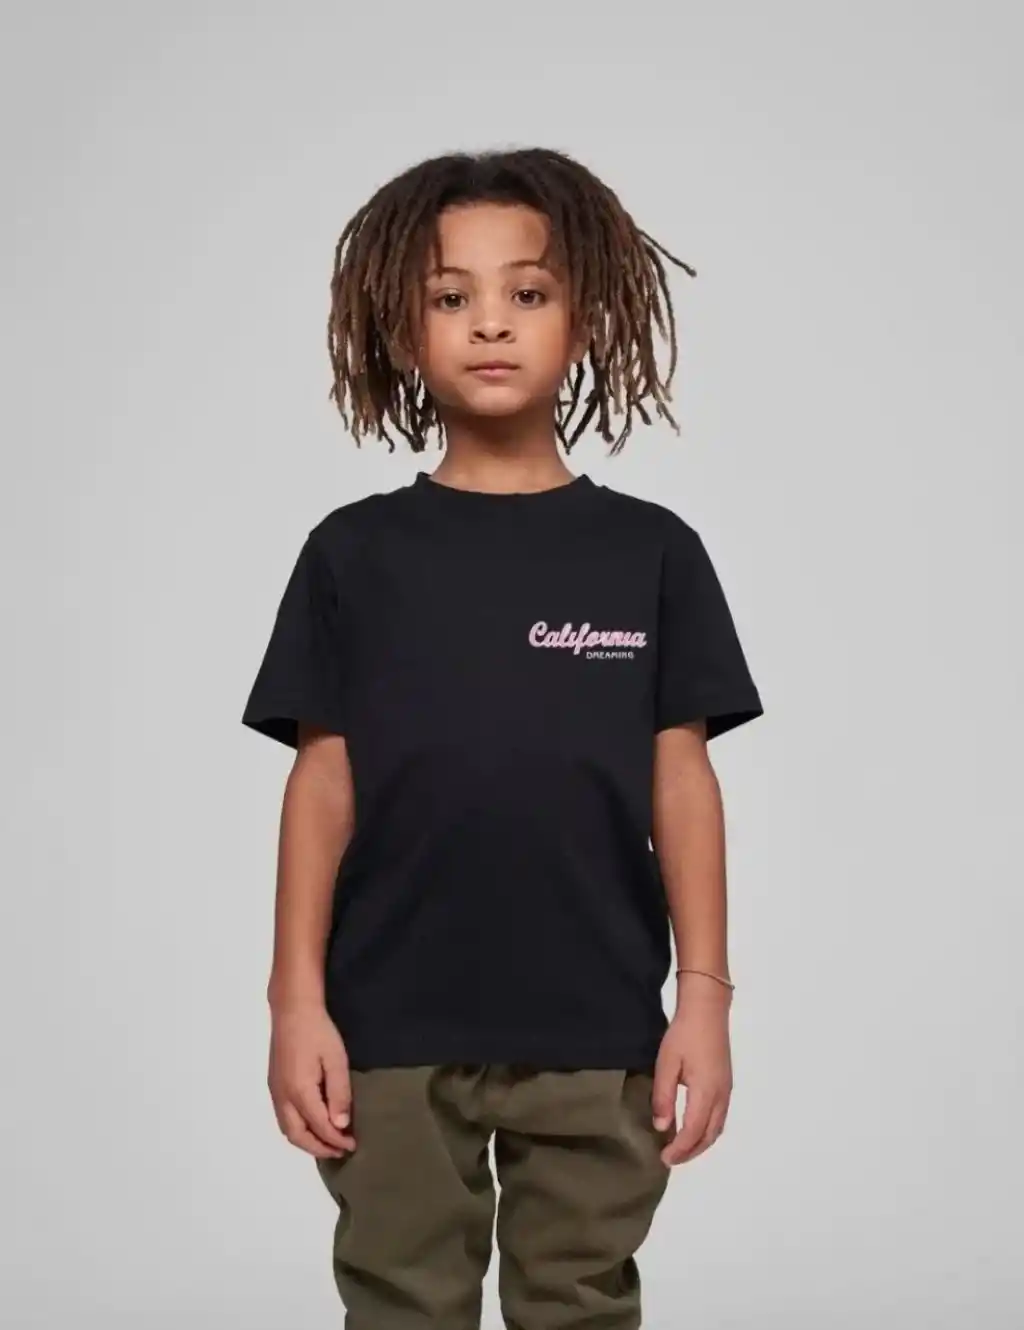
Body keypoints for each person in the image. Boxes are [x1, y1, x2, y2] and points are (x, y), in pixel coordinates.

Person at [241, 146, 764, 1330]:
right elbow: (322, 785)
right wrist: (293, 1000)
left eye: (527, 291)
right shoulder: (352, 555)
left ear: (586, 318)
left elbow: (682, 782)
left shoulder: (651, 553)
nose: (490, 322)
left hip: (596, 1022)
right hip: (387, 1025)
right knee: (401, 1302)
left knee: (578, 1303)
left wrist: (705, 997)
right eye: (450, 295)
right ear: (400, 325)